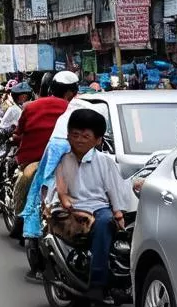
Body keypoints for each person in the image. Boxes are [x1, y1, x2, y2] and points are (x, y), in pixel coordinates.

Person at [54, 108, 130, 290]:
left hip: (98, 207)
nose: (79, 140)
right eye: (75, 135)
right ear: (68, 136)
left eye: (85, 136)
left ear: (98, 140)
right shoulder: (63, 160)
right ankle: (97, 282)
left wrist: (118, 212)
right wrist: (65, 201)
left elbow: (113, 189)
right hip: (72, 207)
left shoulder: (105, 161)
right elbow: (61, 189)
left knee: (105, 222)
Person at [12, 71, 79, 217]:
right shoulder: (75, 108)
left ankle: (20, 216)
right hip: (67, 160)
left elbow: (18, 132)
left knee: (24, 183)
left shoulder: (30, 107)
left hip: (33, 160)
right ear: (70, 92)